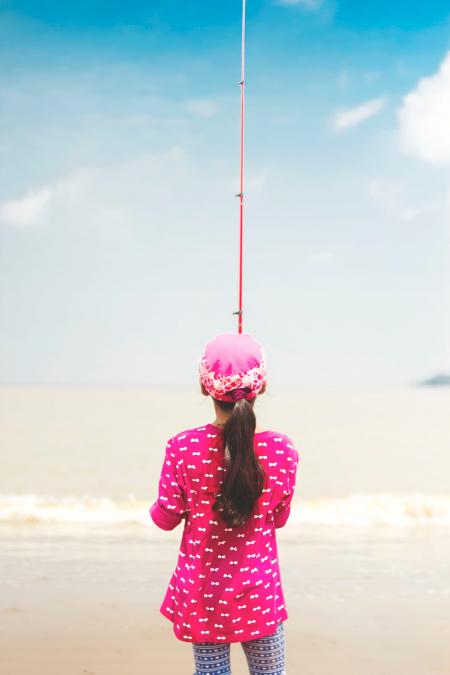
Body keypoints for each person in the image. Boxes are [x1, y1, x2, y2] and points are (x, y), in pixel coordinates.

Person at [150, 332, 300, 675]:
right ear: (261, 386)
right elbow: (279, 518)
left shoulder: (182, 447)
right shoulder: (282, 449)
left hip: (204, 593)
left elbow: (165, 517)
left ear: (205, 387)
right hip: (259, 593)